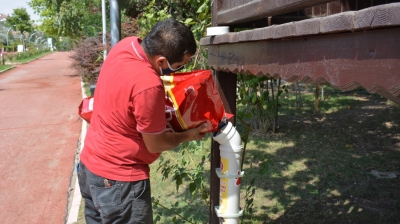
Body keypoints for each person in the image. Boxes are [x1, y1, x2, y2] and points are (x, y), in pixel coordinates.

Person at [77, 18, 207, 224]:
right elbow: (155, 143)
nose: (178, 71)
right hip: (119, 182)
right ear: (162, 62)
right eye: (179, 66)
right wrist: (188, 135)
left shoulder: (124, 46)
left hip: (90, 167)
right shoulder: (148, 84)